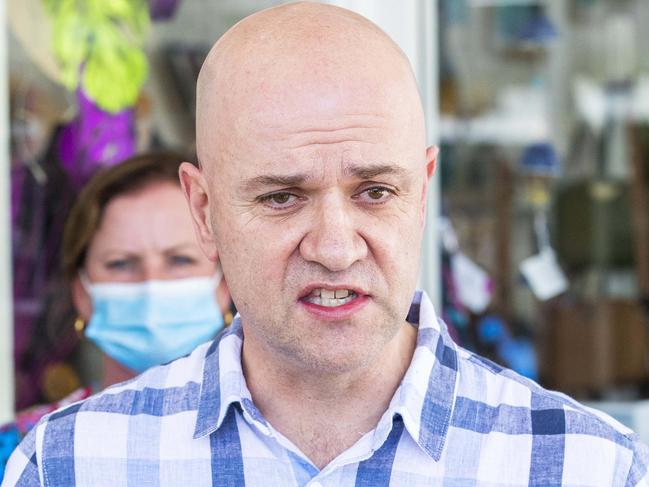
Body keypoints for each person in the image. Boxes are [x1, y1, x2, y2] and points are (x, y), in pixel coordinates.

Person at [3, 3, 648, 486]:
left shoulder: (583, 466)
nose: (336, 249)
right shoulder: (73, 464)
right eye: (282, 197)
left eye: (374, 192)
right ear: (204, 211)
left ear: (423, 192)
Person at [0, 151, 231, 481]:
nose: (153, 285)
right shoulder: (19, 450)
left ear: (223, 285)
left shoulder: (278, 439)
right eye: (121, 264)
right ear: (82, 293)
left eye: (180, 260)